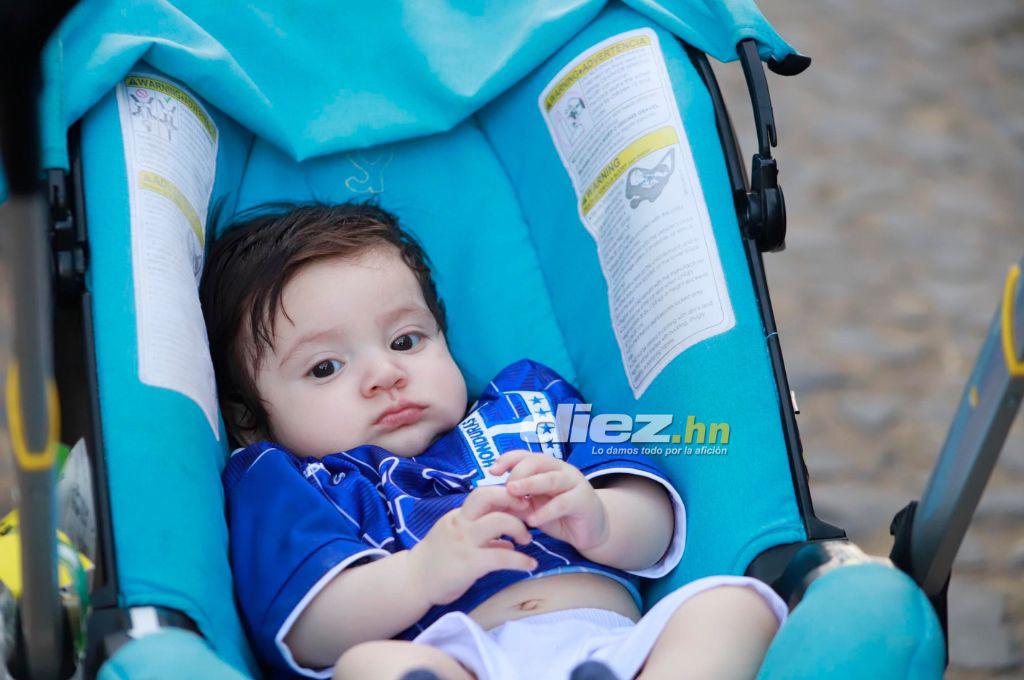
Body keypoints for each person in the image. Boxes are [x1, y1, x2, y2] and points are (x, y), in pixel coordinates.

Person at [199, 202, 787, 680]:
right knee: (369, 668)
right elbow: (308, 632)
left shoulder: (528, 401)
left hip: (614, 651)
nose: (385, 374)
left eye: (405, 341)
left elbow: (657, 519)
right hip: (458, 661)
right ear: (250, 419)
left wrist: (602, 517)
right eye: (325, 367)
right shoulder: (294, 482)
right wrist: (419, 575)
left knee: (734, 604)